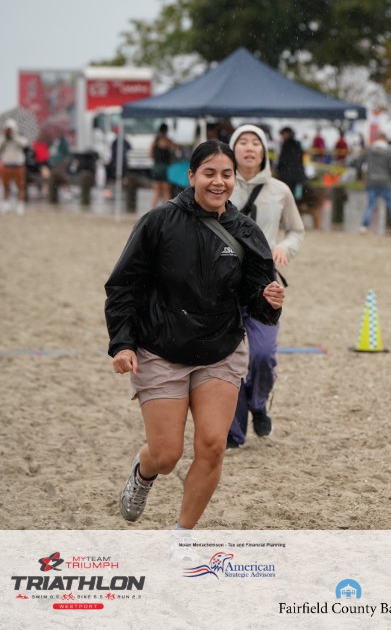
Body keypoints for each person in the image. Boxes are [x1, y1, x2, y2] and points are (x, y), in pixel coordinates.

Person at [105, 140, 284, 548]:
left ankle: (182, 536)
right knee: (166, 454)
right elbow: (123, 286)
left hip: (220, 350)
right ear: (191, 176)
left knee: (212, 446)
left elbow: (256, 297)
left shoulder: (245, 231)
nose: (218, 182)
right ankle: (144, 471)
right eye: (209, 173)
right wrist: (123, 343)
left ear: (234, 179)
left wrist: (269, 300)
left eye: (226, 175)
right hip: (160, 348)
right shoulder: (158, 222)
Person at [225, 125, 305, 448]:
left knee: (261, 355)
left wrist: (284, 247)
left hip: (264, 282)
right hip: (224, 280)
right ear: (232, 150)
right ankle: (233, 432)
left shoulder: (280, 191)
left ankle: (258, 403)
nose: (249, 148)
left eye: (255, 142)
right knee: (228, 358)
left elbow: (297, 230)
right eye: (242, 142)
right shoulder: (220, 186)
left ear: (264, 152)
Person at [360, 131, 391, 234]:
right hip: (385, 180)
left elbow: (360, 162)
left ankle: (364, 226)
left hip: (371, 180)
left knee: (370, 204)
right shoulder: (390, 151)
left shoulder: (369, 150)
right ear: (385, 139)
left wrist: (360, 175)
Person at [1, 118, 30, 215]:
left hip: (18, 165)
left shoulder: (19, 136)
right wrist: (5, 137)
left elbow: (24, 144)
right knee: (6, 186)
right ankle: (6, 204)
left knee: (20, 186)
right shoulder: (3, 138)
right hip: (7, 165)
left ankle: (20, 205)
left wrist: (13, 136)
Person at [150, 123, 179, 209]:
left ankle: (152, 211)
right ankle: (167, 211)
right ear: (166, 130)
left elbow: (150, 154)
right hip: (165, 167)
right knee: (166, 191)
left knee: (157, 192)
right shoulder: (167, 140)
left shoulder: (154, 141)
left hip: (156, 167)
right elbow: (177, 148)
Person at [276, 126, 308, 200]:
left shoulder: (287, 145)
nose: (282, 136)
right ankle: (297, 203)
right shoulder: (297, 144)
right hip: (298, 174)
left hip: (288, 175)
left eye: (283, 134)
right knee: (298, 196)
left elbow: (283, 159)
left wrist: (279, 169)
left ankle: (294, 204)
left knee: (289, 196)